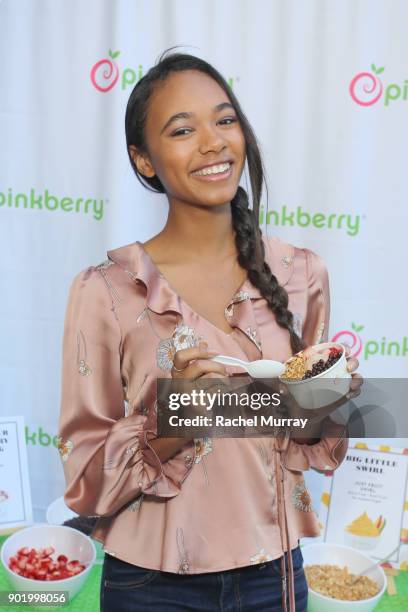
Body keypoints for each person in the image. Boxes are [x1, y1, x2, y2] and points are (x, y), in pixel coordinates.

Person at [57, 49, 362, 611]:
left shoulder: (302, 274)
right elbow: (84, 477)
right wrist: (175, 419)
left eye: (225, 120)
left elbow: (308, 439)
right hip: (150, 585)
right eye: (182, 130)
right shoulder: (106, 289)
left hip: (275, 575)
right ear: (143, 160)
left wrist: (324, 404)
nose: (214, 142)